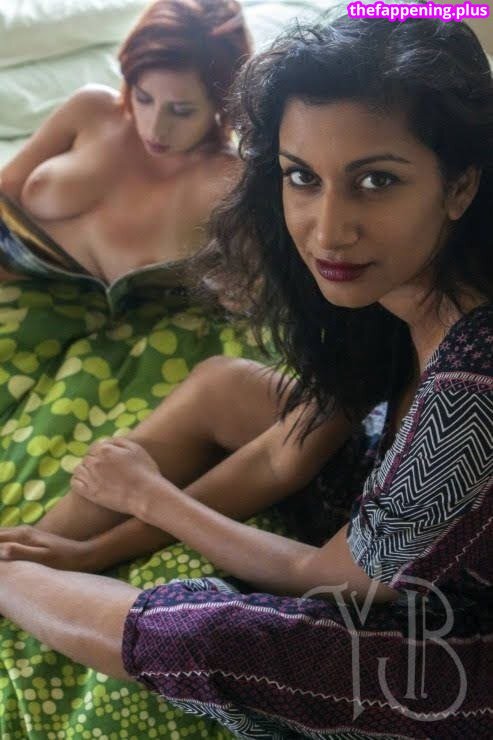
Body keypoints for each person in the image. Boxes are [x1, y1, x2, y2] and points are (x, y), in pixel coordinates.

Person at [0, 13, 492, 739]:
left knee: (209, 638)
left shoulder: (474, 387)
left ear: (459, 186)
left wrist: (153, 498)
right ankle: (24, 543)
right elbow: (282, 453)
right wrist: (92, 551)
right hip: (390, 514)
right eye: (303, 177)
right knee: (227, 383)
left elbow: (334, 576)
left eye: (376, 181)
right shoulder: (388, 294)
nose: (328, 229)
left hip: (455, 639)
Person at [0, 0, 251, 283]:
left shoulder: (230, 180)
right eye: (143, 97)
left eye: (182, 111)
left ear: (222, 103)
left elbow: (251, 287)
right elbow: (5, 188)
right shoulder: (91, 108)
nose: (155, 129)